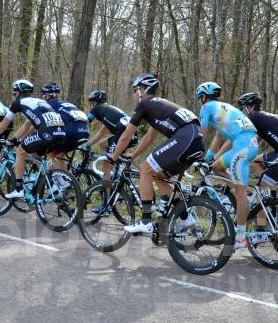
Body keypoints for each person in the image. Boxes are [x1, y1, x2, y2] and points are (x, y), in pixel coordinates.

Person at [109, 74, 205, 235]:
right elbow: (149, 137)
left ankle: (146, 221)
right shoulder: (159, 106)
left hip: (185, 137)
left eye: (134, 90)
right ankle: (186, 218)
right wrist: (132, 156)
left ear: (142, 90)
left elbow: (126, 136)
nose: (133, 94)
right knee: (156, 175)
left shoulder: (145, 104)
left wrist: (113, 158)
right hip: (197, 141)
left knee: (145, 168)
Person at [197, 82, 258, 249]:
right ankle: (242, 192)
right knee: (216, 167)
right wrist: (208, 158)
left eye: (199, 99)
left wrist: (197, 155)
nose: (200, 102)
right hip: (246, 145)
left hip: (242, 149)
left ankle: (240, 237)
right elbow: (218, 138)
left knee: (240, 194)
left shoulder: (206, 107)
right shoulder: (225, 108)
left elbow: (200, 136)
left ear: (203, 97)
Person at [0, 79, 66, 199]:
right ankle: (55, 185)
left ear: (18, 93)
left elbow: (4, 125)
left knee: (20, 151)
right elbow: (27, 126)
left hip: (47, 132)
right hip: (61, 132)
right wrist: (15, 139)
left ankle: (18, 189)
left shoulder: (18, 103)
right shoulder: (38, 101)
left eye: (14, 93)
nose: (14, 96)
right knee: (36, 155)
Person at [84, 90, 138, 179]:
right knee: (102, 144)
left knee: (106, 167)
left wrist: (84, 144)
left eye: (91, 103)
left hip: (123, 135)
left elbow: (85, 122)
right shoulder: (109, 110)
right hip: (132, 135)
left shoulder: (97, 109)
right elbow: (101, 133)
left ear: (95, 102)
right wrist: (88, 145)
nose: (91, 105)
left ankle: (108, 192)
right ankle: (116, 171)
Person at [40, 83, 90, 171]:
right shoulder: (64, 103)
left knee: (49, 155)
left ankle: (60, 183)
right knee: (60, 156)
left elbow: (42, 123)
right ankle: (69, 181)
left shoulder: (50, 104)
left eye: (44, 96)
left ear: (47, 95)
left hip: (72, 130)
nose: (43, 98)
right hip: (84, 131)